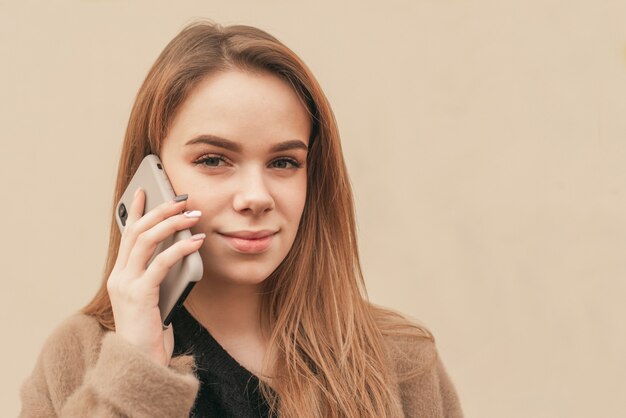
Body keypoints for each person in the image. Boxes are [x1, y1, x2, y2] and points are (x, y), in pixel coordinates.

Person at [19, 21, 463, 418]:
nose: (256, 197)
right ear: (150, 178)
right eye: (214, 159)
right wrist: (135, 375)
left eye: (285, 163)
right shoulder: (79, 356)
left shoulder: (401, 360)